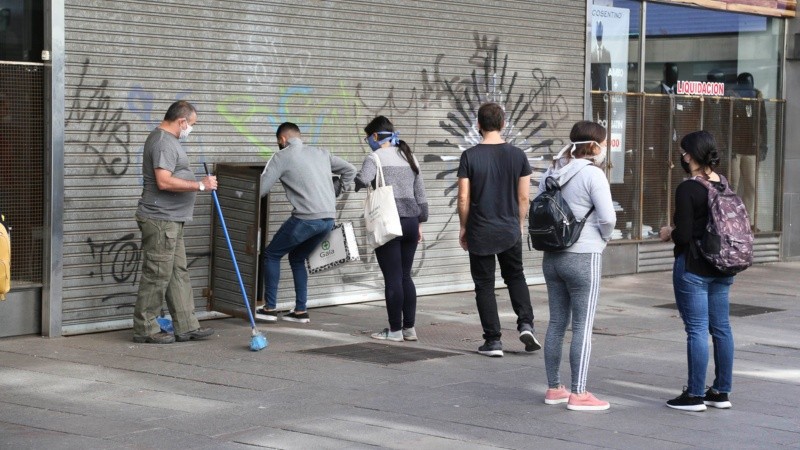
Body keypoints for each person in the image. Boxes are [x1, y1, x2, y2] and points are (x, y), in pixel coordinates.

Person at [539, 121, 616, 411]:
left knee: (557, 322)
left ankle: (554, 387)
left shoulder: (552, 172)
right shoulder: (593, 175)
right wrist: (603, 239)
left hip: (552, 257)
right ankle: (579, 392)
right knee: (582, 326)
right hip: (584, 256)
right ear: (597, 146)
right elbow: (608, 218)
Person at [456, 102, 541, 357]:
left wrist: (463, 227)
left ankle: (493, 341)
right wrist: (520, 223)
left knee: (484, 285)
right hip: (509, 228)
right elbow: (524, 197)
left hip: (480, 229)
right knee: (515, 276)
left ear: (478, 125)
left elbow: (463, 197)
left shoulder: (469, 156)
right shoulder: (518, 156)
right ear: (504, 124)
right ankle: (526, 324)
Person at [659, 131, 735, 412]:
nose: (682, 156)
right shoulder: (725, 184)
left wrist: (669, 232)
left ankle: (693, 395)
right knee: (722, 328)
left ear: (689, 155)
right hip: (724, 266)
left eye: (683, 151)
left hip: (694, 267)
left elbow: (685, 235)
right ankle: (720, 391)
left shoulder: (688, 188)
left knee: (697, 330)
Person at [254, 122, 356, 323]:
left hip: (306, 219)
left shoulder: (282, 156)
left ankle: (270, 308)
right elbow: (351, 170)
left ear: (282, 140)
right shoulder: (321, 153)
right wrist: (338, 190)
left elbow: (261, 189)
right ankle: (300, 311)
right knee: (297, 258)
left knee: (271, 254)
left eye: (278, 142)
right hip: (327, 219)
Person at [133, 100, 217, 344]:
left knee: (177, 273)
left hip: (172, 220)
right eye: (191, 125)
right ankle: (145, 328)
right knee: (157, 274)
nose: (190, 129)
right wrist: (200, 185)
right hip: (161, 220)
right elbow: (164, 181)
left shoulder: (169, 141)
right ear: (181, 121)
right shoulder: (162, 142)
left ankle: (186, 325)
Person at [355, 116, 428, 342]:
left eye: (369, 137)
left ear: (375, 136)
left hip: (389, 222)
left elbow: (361, 181)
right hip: (411, 222)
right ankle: (409, 329)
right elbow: (421, 193)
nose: (368, 141)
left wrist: (354, 180)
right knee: (406, 276)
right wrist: (420, 221)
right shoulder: (408, 155)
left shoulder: (374, 157)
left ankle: (394, 330)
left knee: (393, 278)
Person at [730, 72, 767, 228]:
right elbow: (726, 122)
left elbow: (763, 124)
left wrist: (763, 146)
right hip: (735, 149)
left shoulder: (757, 98)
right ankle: (729, 221)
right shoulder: (733, 98)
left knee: (751, 186)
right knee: (732, 185)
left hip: (751, 148)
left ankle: (747, 221)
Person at [590, 21, 612, 91]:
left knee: (603, 101)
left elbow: (609, 72)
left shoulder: (607, 53)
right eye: (598, 37)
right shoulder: (592, 54)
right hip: (594, 87)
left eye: (600, 37)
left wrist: (610, 89)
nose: (599, 39)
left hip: (603, 88)